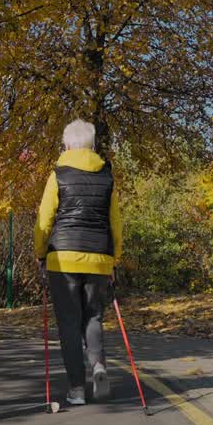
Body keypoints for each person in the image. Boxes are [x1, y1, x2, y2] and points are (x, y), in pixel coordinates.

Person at [33, 119, 123, 406]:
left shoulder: (58, 175)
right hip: (99, 258)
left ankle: (76, 389)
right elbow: (116, 223)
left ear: (67, 145)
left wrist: (40, 253)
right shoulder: (107, 176)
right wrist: (114, 257)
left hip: (63, 258)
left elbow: (44, 220)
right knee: (93, 316)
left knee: (69, 324)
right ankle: (98, 365)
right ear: (93, 145)